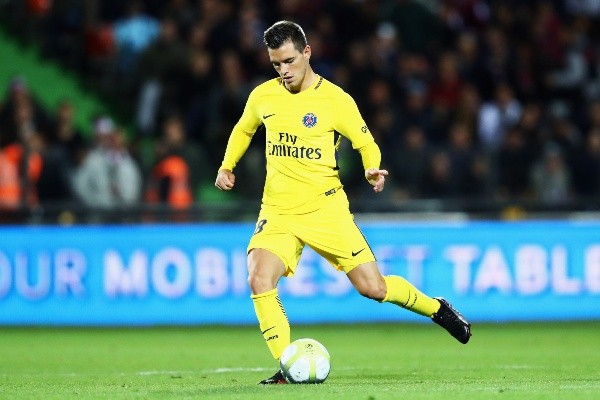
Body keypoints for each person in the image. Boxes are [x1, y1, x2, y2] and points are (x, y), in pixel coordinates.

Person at [214, 20, 471, 385]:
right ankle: (287, 366)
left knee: (373, 288)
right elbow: (244, 129)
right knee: (259, 278)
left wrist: (371, 168)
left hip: (326, 210)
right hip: (278, 211)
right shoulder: (263, 96)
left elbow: (365, 142)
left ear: (307, 52)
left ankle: (436, 308)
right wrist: (227, 166)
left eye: (289, 61)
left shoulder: (335, 100)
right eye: (276, 64)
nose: (283, 70)